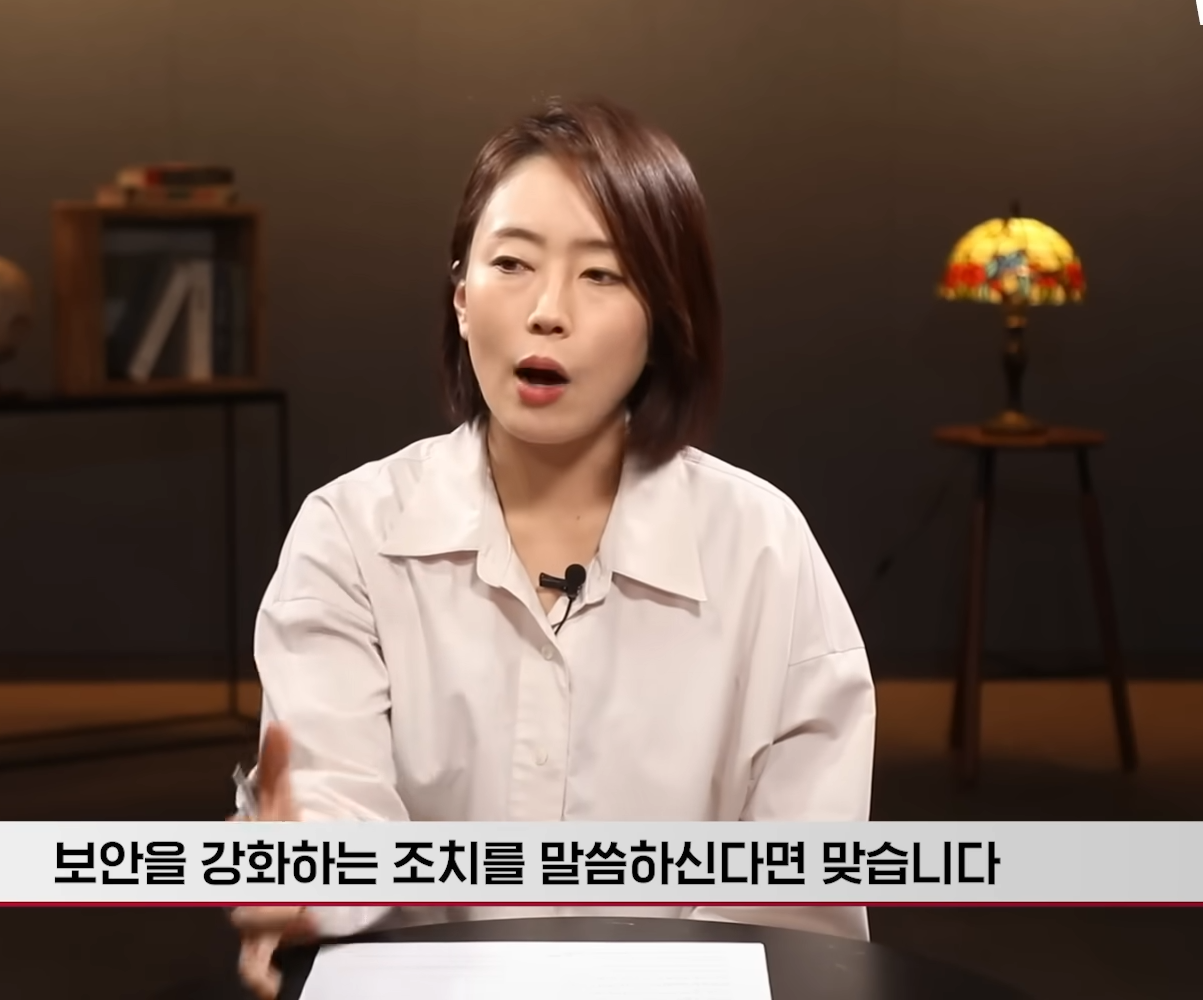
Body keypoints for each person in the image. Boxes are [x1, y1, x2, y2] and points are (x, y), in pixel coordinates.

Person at [230, 97, 877, 998]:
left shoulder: (763, 547)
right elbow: (335, 810)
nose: (547, 312)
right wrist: (306, 879)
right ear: (461, 299)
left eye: (602, 275)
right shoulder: (349, 534)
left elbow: (800, 893)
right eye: (511, 264)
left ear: (664, 321)